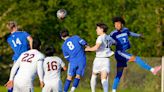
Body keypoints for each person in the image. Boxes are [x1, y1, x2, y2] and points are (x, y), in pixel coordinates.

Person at [109, 16, 161, 92]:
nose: (116, 25)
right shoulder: (113, 33)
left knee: (119, 74)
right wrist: (109, 47)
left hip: (123, 53)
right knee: (136, 59)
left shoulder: (125, 30)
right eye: (115, 24)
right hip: (120, 52)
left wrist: (139, 35)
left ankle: (113, 90)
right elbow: (107, 40)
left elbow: (130, 33)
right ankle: (152, 70)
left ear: (122, 24)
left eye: (118, 24)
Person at [85, 23, 114, 92]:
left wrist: (88, 49)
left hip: (99, 59)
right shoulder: (109, 37)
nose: (96, 30)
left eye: (97, 28)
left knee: (94, 75)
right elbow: (115, 42)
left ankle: (93, 91)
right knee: (104, 78)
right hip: (106, 60)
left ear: (102, 29)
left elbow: (96, 47)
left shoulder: (100, 37)